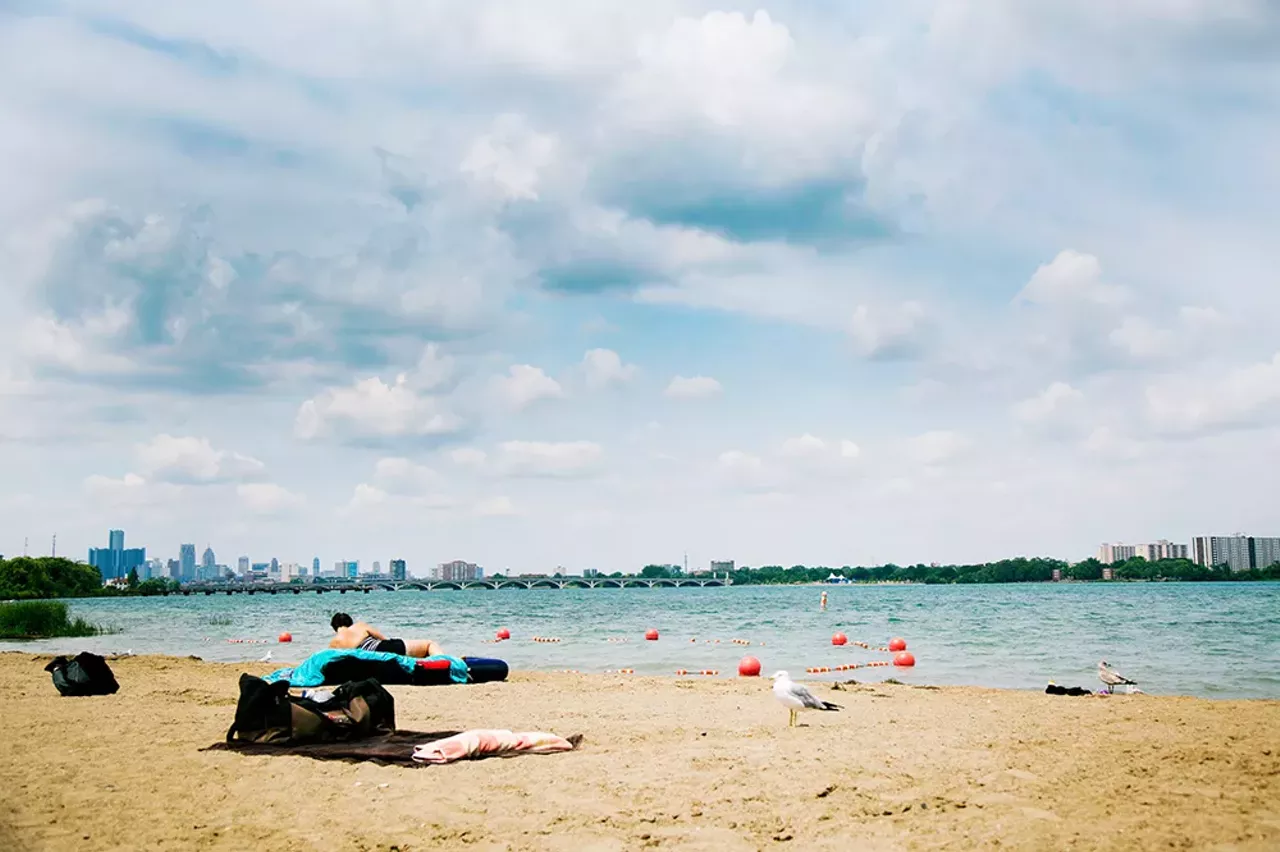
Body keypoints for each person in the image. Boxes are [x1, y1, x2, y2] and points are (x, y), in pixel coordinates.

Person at [328, 613, 444, 658]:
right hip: (386, 648)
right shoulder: (359, 626)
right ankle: (447, 661)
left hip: (369, 659)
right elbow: (383, 639)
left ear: (334, 627)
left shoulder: (333, 644)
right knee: (429, 644)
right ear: (349, 623)